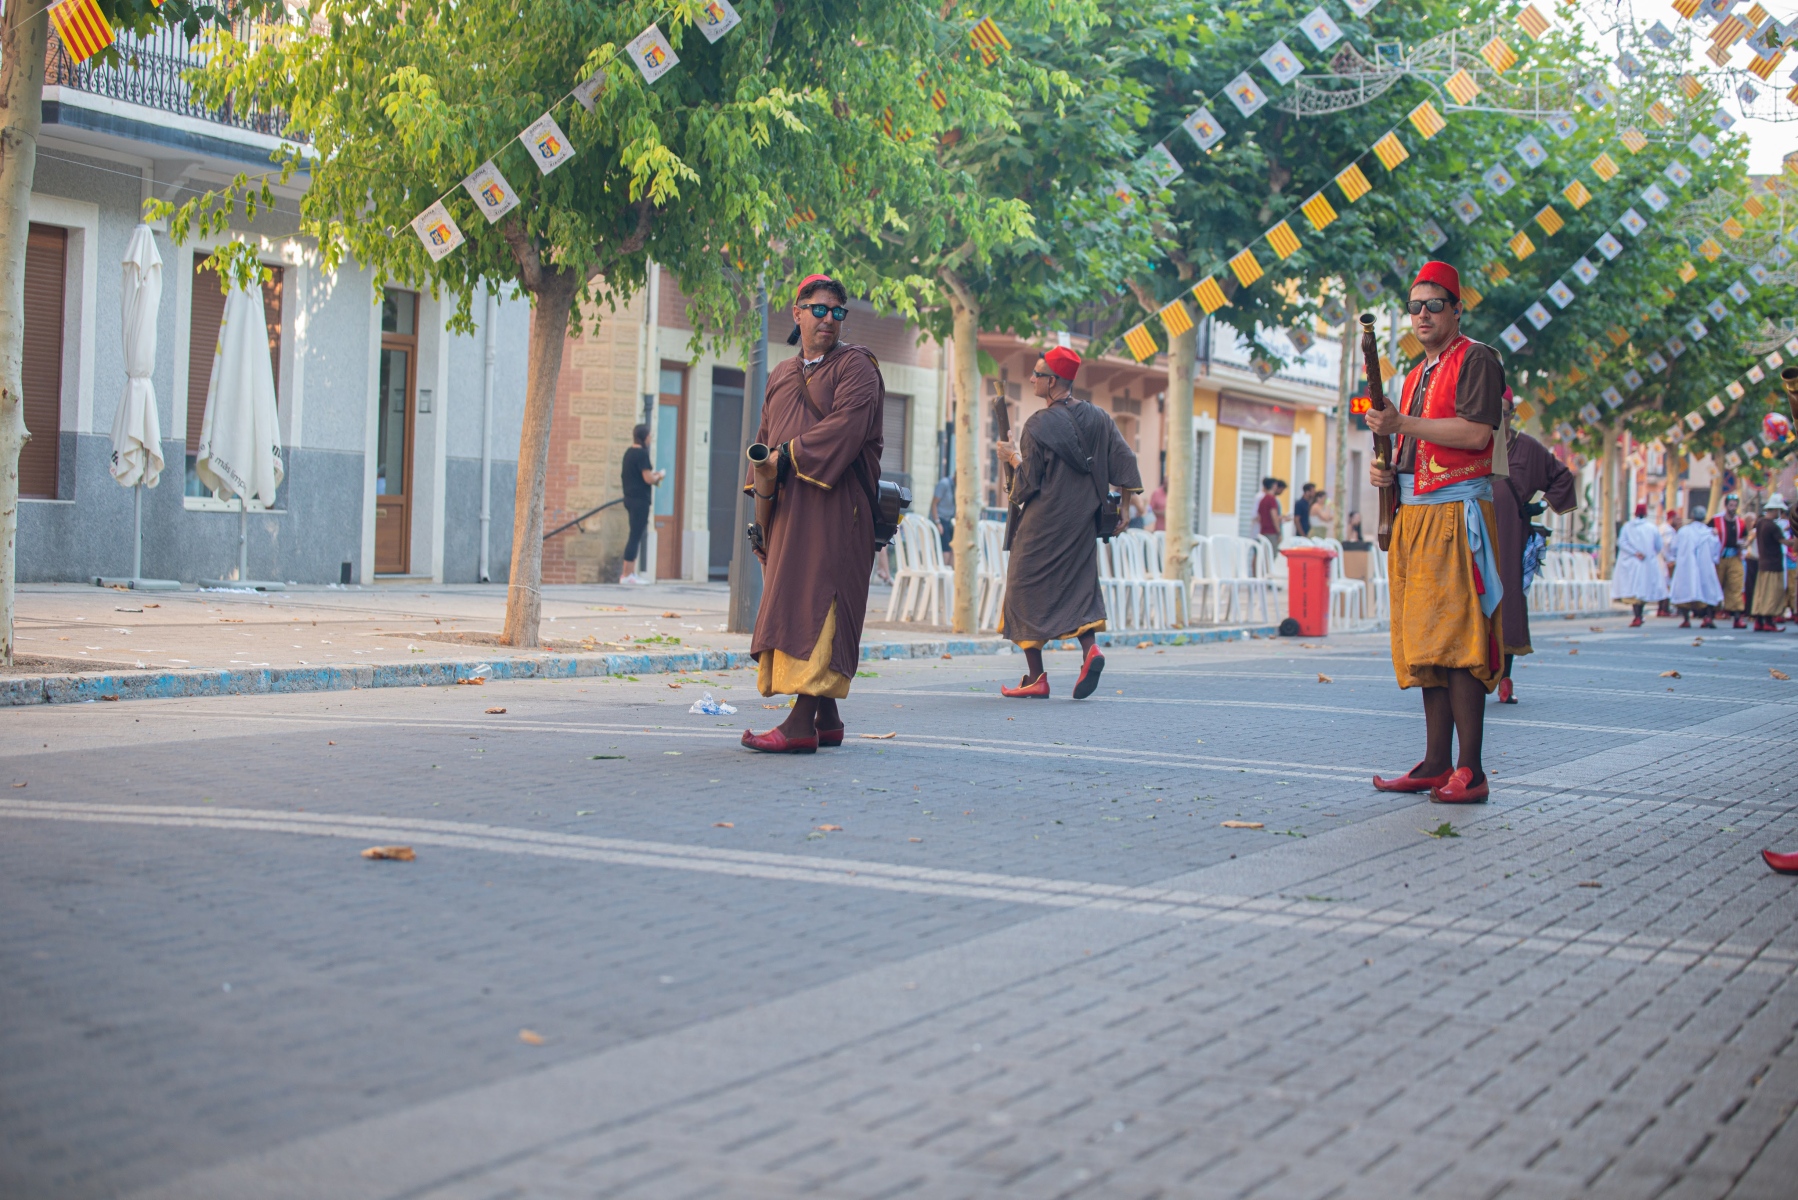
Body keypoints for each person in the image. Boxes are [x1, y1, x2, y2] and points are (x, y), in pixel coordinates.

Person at [1365, 261, 1505, 804]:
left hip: (1455, 515)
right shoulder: (1412, 374)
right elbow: (1412, 447)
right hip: (1415, 517)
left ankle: (1471, 770)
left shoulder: (1477, 358)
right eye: (1415, 306)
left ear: (1457, 309)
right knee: (1425, 643)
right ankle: (1435, 762)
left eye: (1434, 305)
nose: (1423, 315)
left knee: (1460, 642)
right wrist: (1388, 470)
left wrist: (1401, 424)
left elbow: (1475, 434)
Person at [739, 273, 886, 753]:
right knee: (791, 601)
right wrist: (761, 518)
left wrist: (787, 455)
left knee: (822, 602)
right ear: (797, 312)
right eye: (819, 310)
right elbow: (764, 443)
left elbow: (847, 428)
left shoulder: (857, 366)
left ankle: (801, 725)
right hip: (788, 510)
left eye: (837, 312)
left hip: (838, 510)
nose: (828, 319)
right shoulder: (781, 373)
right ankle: (828, 718)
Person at [993, 345, 1141, 699]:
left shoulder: (1037, 424)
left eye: (1037, 374)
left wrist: (1012, 458)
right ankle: (1091, 651)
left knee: (1021, 590)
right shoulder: (1100, 418)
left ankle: (1036, 678)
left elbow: (1027, 485)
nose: (1032, 379)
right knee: (1079, 588)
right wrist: (1124, 508)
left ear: (1053, 381)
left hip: (1042, 525)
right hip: (1082, 523)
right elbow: (1127, 459)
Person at [1492, 388, 1577, 703]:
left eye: (1502, 414)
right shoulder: (1472, 445)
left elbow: (1562, 477)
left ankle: (1505, 679)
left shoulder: (1527, 448)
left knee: (1507, 601)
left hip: (1511, 535)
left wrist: (1541, 505)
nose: (1496, 420)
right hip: (1474, 533)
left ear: (1512, 415)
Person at [618, 424, 664, 585]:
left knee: (634, 534)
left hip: (629, 498)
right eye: (649, 435)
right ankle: (627, 574)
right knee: (635, 536)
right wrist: (659, 476)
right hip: (640, 500)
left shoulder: (629, 453)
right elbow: (648, 478)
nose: (650, 438)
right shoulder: (642, 454)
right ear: (644, 437)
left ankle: (630, 573)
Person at [1611, 502, 1669, 626]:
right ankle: (1639, 616)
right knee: (1643, 590)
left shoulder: (1627, 527)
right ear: (1646, 513)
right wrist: (1649, 553)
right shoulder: (1652, 528)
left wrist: (1635, 553)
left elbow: (1622, 542)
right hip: (1647, 563)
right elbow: (1658, 545)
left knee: (1634, 591)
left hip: (1632, 563)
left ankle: (1638, 616)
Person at [1668, 508, 1723, 628]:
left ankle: (1686, 619)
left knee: (1686, 590)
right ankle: (1708, 617)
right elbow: (1716, 550)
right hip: (1705, 566)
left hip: (1686, 566)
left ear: (1692, 517)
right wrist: (1714, 560)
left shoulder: (1683, 531)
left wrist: (1674, 558)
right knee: (1708, 590)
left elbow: (1674, 547)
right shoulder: (1709, 533)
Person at [1749, 494, 1791, 631]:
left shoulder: (1761, 523)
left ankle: (1759, 622)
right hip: (1774, 565)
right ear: (1776, 510)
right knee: (1772, 595)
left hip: (1763, 564)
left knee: (1761, 594)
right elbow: (1785, 542)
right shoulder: (1773, 526)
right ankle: (1769, 622)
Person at [1710, 494, 1750, 628]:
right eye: (1731, 505)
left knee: (1736, 585)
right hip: (1719, 558)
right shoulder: (1715, 520)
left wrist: (1743, 544)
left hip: (1734, 556)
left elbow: (1745, 537)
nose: (1733, 508)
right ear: (1726, 506)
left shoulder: (1740, 522)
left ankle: (1737, 618)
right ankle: (1709, 616)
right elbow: (1706, 535)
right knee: (1715, 585)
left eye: (1735, 505)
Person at [929, 472, 956, 563]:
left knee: (954, 549)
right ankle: (943, 569)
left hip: (950, 520)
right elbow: (934, 503)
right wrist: (937, 522)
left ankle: (950, 570)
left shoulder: (957, 487)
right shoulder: (944, 484)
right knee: (946, 551)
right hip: (941, 520)